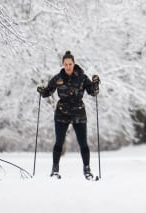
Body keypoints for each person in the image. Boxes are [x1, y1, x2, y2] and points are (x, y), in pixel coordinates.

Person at [37, 50, 100, 179]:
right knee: (59, 142)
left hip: (78, 112)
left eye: (70, 64)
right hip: (62, 112)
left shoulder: (82, 77)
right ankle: (55, 169)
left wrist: (95, 84)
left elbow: (92, 92)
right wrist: (42, 91)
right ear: (63, 64)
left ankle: (87, 170)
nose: (68, 67)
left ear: (73, 63)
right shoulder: (58, 78)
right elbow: (48, 92)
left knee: (83, 143)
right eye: (65, 64)